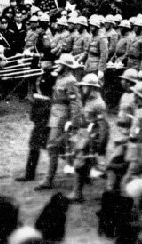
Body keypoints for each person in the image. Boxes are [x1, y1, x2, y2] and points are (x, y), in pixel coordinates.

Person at [36, 54, 82, 190]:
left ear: (66, 67)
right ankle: (81, 169)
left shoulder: (70, 81)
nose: (58, 66)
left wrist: (73, 121)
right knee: (60, 146)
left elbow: (75, 102)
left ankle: (48, 179)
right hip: (55, 114)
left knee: (53, 146)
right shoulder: (59, 78)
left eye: (60, 64)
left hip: (62, 116)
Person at [68, 73, 108, 202]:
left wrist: (100, 144)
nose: (82, 89)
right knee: (81, 162)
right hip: (83, 134)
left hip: (90, 136)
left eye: (85, 87)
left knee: (79, 164)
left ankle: (77, 194)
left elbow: (102, 126)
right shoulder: (88, 100)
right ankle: (81, 187)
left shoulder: (98, 103)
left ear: (91, 88)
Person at [15, 66, 54, 182]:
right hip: (40, 111)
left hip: (45, 112)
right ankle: (29, 174)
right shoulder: (40, 75)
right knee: (39, 145)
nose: (43, 62)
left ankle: (30, 174)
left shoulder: (52, 77)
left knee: (37, 144)